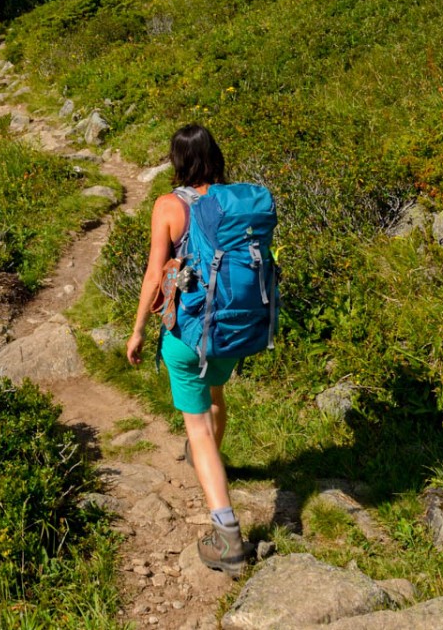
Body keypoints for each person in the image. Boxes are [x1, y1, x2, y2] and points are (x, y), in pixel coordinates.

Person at [125, 123, 248, 576]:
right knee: (216, 398)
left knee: (195, 427)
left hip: (190, 333)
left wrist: (138, 330)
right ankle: (209, 465)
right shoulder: (235, 199)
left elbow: (156, 277)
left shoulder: (168, 205)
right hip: (233, 331)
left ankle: (228, 535)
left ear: (177, 160)